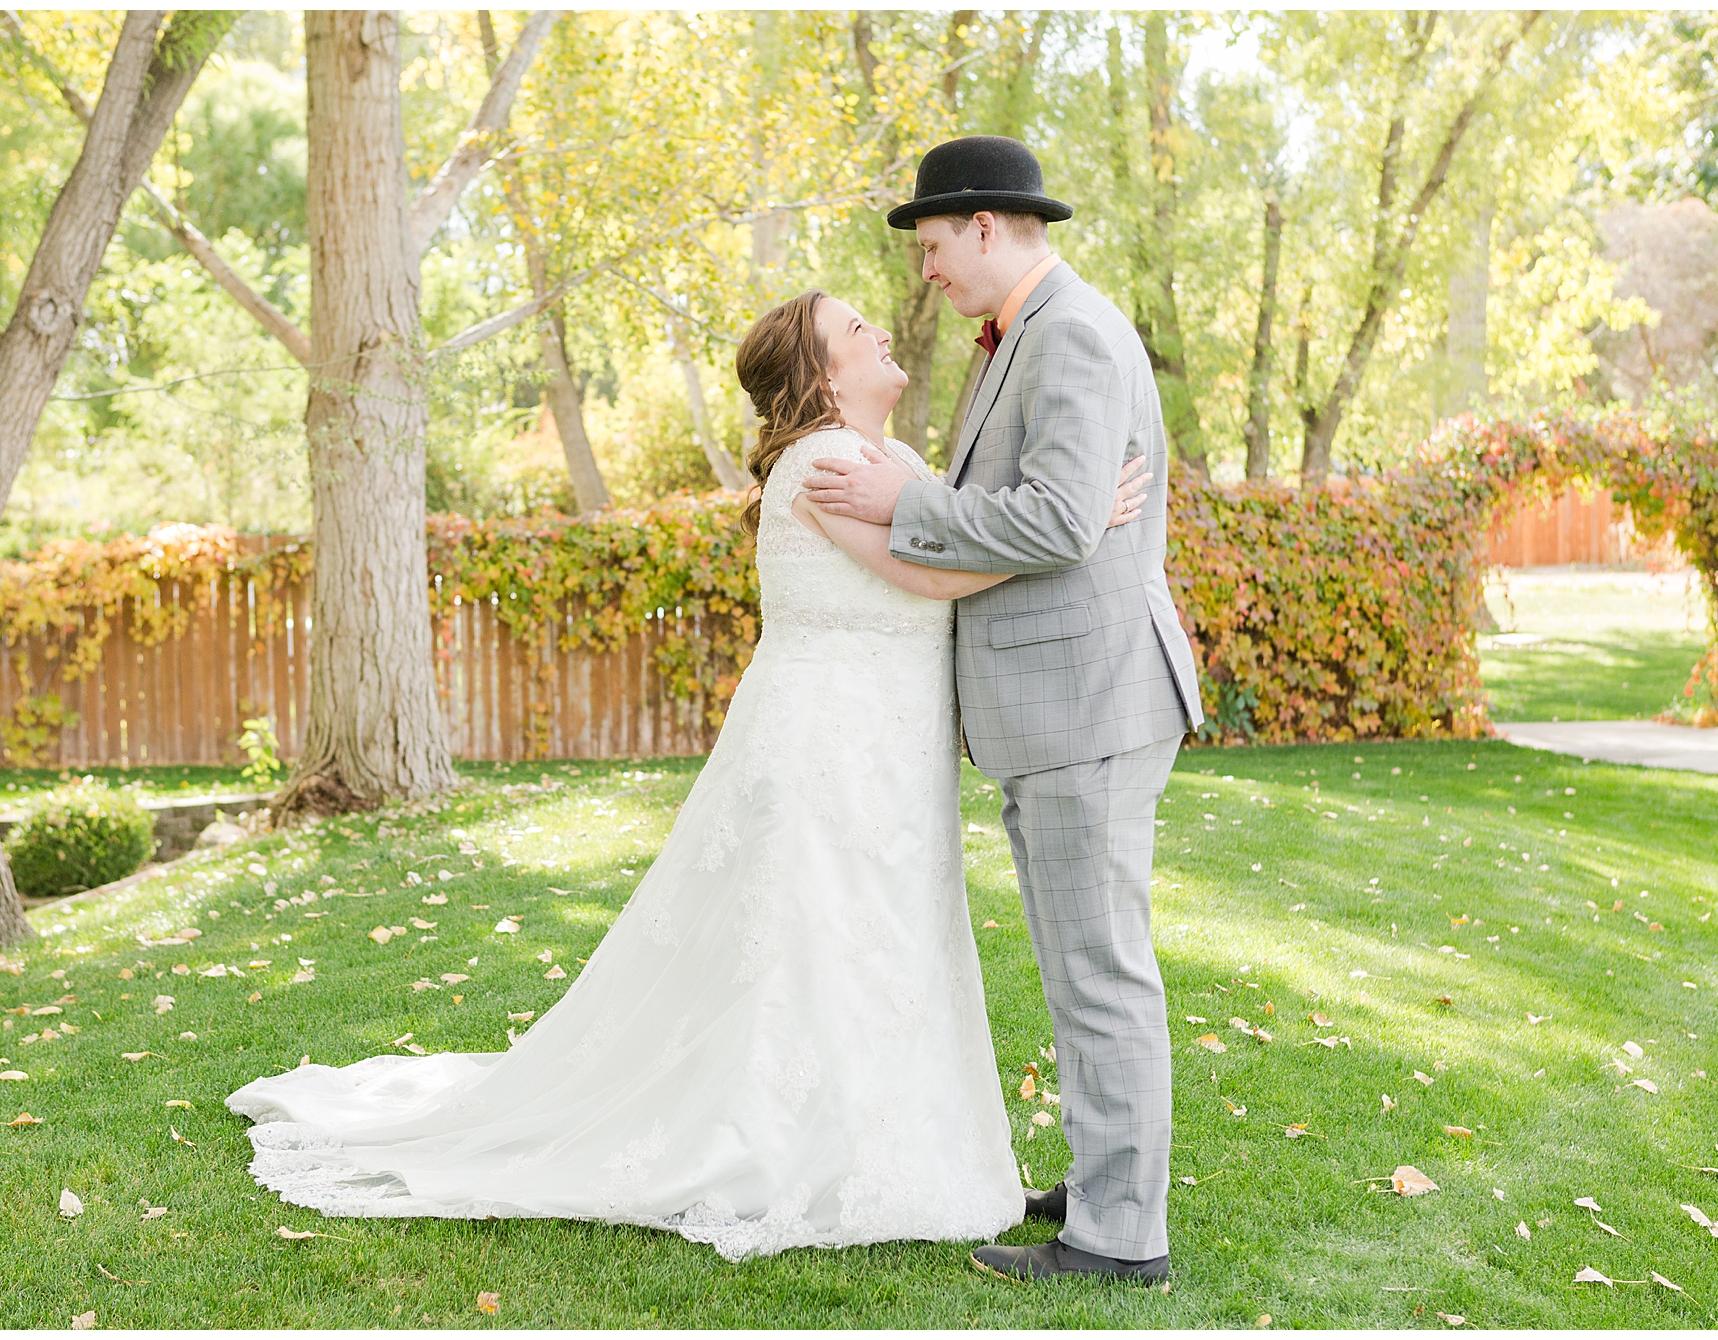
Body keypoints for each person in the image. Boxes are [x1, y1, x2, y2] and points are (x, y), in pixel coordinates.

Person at [224, 285, 1152, 1264]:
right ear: (821, 377)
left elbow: (950, 542)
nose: (878, 330)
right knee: (818, 942)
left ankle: (887, 1135)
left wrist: (1048, 519)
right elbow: (933, 574)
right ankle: (799, 1144)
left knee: (885, 937)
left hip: (889, 743)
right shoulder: (823, 463)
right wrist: (1071, 522)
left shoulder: (898, 463)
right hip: (826, 744)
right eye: (852, 330)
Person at [803, 134, 1205, 1284]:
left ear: (984, 228)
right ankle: (1102, 1176)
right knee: (1082, 962)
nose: (924, 271)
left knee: (1098, 969)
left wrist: (909, 496)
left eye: (930, 246)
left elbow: (1056, 523)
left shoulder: (1068, 333)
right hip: (1064, 704)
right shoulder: (1023, 336)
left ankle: (1119, 1237)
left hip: (1088, 702)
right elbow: (1048, 510)